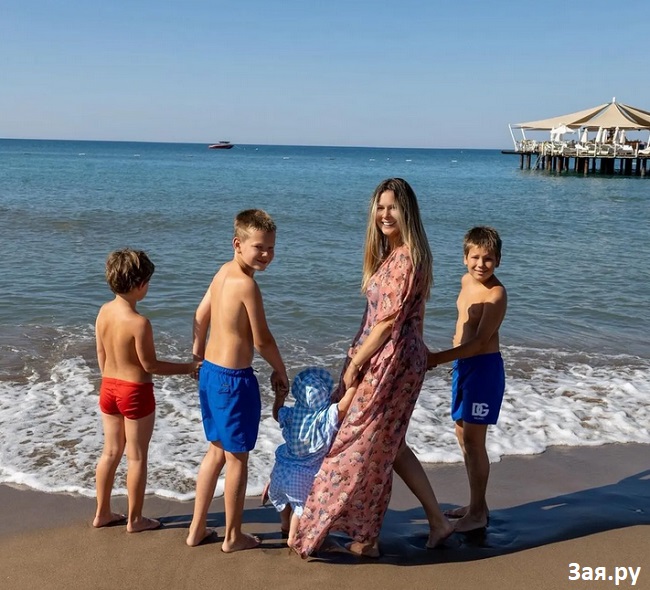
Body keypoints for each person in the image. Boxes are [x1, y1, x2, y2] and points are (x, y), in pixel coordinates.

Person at [292, 178, 452, 558]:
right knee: (387, 446)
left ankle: (329, 528)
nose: (384, 214)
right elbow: (373, 317)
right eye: (379, 207)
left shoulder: (406, 257)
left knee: (355, 444)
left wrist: (356, 365)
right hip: (392, 357)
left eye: (392, 207)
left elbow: (386, 323)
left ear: (407, 211)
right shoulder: (394, 255)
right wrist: (353, 354)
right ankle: (402, 530)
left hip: (392, 362)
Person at [186, 209, 289, 552]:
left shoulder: (222, 273)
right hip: (233, 381)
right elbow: (262, 341)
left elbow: (200, 315)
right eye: (259, 247)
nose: (266, 254)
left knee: (215, 452)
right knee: (237, 459)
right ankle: (232, 536)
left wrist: (198, 356)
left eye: (271, 248)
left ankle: (197, 528)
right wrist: (281, 370)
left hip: (211, 375)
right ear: (237, 243)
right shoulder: (247, 285)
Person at [94, 248, 201, 533]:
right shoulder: (139, 323)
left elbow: (101, 357)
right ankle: (135, 519)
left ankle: (102, 512)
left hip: (108, 387)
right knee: (137, 456)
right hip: (134, 391)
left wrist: (111, 382)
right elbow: (150, 365)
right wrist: (189, 367)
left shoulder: (103, 312)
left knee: (110, 452)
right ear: (140, 284)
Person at [427, 226, 507, 533]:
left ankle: (478, 514)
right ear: (464, 258)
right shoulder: (466, 281)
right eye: (475, 257)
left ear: (498, 260)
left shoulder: (496, 294)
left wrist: (436, 358)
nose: (481, 264)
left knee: (475, 442)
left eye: (488, 259)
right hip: (463, 368)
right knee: (462, 435)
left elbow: (479, 343)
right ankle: (477, 505)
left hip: (483, 370)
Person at [264, 368, 358, 546]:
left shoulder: (293, 413)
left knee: (284, 501)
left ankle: (284, 525)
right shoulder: (325, 414)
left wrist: (280, 397)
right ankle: (293, 538)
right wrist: (354, 383)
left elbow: (278, 414)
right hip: (303, 475)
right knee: (300, 508)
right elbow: (344, 406)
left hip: (281, 471)